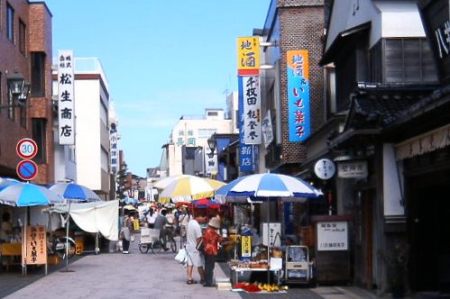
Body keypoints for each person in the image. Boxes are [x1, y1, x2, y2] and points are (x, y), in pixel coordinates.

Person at [185, 213, 206, 285]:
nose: (204, 220)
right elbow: (199, 238)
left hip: (189, 246)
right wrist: (200, 247)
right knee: (199, 263)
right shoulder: (196, 226)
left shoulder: (190, 222)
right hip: (195, 248)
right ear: (199, 217)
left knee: (190, 264)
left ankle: (189, 279)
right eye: (204, 218)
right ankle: (203, 278)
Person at [202, 217, 222, 287]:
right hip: (211, 250)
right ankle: (209, 282)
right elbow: (219, 239)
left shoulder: (207, 230)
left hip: (207, 249)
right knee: (210, 266)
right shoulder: (212, 232)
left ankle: (207, 281)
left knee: (207, 266)